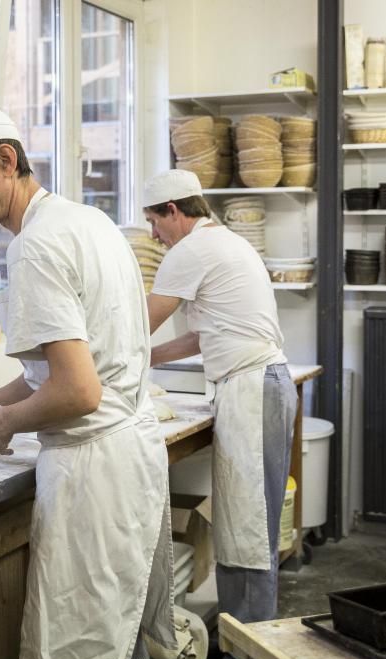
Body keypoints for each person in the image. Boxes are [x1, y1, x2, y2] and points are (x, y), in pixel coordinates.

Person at [0, 103, 176, 659]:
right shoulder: (88, 221)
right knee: (120, 634)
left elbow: (79, 393)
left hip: (93, 474)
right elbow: (52, 371)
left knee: (82, 649)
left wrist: (2, 424)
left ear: (5, 161)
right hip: (130, 457)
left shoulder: (34, 245)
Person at [141, 169, 296, 623]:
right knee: (246, 523)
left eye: (154, 222)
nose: (153, 235)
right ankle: (246, 636)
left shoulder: (190, 250)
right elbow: (200, 337)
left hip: (253, 391)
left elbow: (135, 324)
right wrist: (146, 358)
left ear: (173, 210)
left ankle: (248, 647)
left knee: (247, 528)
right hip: (262, 384)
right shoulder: (224, 242)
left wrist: (88, 358)